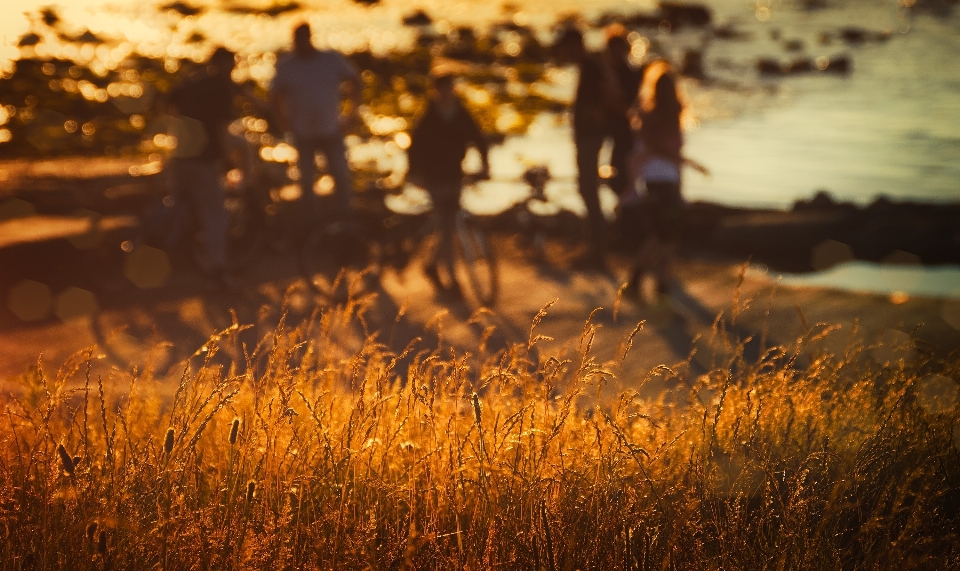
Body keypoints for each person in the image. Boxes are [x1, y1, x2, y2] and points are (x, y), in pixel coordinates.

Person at [622, 60, 708, 301]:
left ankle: (642, 282)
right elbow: (668, 156)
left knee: (661, 237)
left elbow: (643, 154)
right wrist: (683, 181)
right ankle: (658, 286)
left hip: (655, 182)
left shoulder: (651, 117)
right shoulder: (665, 118)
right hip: (665, 182)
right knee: (667, 238)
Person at [269, 23, 362, 233]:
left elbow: (355, 81)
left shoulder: (330, 59)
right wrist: (283, 122)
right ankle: (312, 230)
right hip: (303, 134)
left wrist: (351, 114)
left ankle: (346, 225)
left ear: (309, 38)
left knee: (340, 176)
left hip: (331, 130)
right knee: (306, 182)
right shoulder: (287, 66)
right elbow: (274, 97)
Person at [406, 70, 490, 298]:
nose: (447, 91)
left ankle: (433, 264)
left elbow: (478, 138)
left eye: (450, 86)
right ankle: (452, 279)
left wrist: (485, 165)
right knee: (447, 225)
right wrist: (415, 173)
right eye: (443, 87)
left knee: (447, 224)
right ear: (436, 90)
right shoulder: (429, 115)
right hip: (434, 176)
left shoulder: (461, 112)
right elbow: (415, 146)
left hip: (455, 173)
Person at [163, 46, 241, 291]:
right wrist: (229, 159)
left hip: (180, 155)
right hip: (203, 160)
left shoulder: (193, 81)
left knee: (177, 204)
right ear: (226, 65)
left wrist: (177, 129)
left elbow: (166, 103)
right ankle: (218, 270)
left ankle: (155, 245)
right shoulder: (221, 89)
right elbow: (221, 128)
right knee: (215, 215)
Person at [554, 28, 622, 266]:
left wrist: (597, 116)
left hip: (590, 138)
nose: (564, 53)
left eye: (566, 48)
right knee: (588, 190)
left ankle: (597, 252)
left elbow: (609, 94)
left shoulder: (592, 66)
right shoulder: (592, 65)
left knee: (588, 189)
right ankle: (595, 248)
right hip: (589, 137)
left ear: (575, 44)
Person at [604, 27, 644, 197]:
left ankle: (626, 200)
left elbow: (634, 103)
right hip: (615, 128)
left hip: (626, 128)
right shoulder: (608, 72)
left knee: (623, 164)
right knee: (620, 164)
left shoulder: (630, 73)